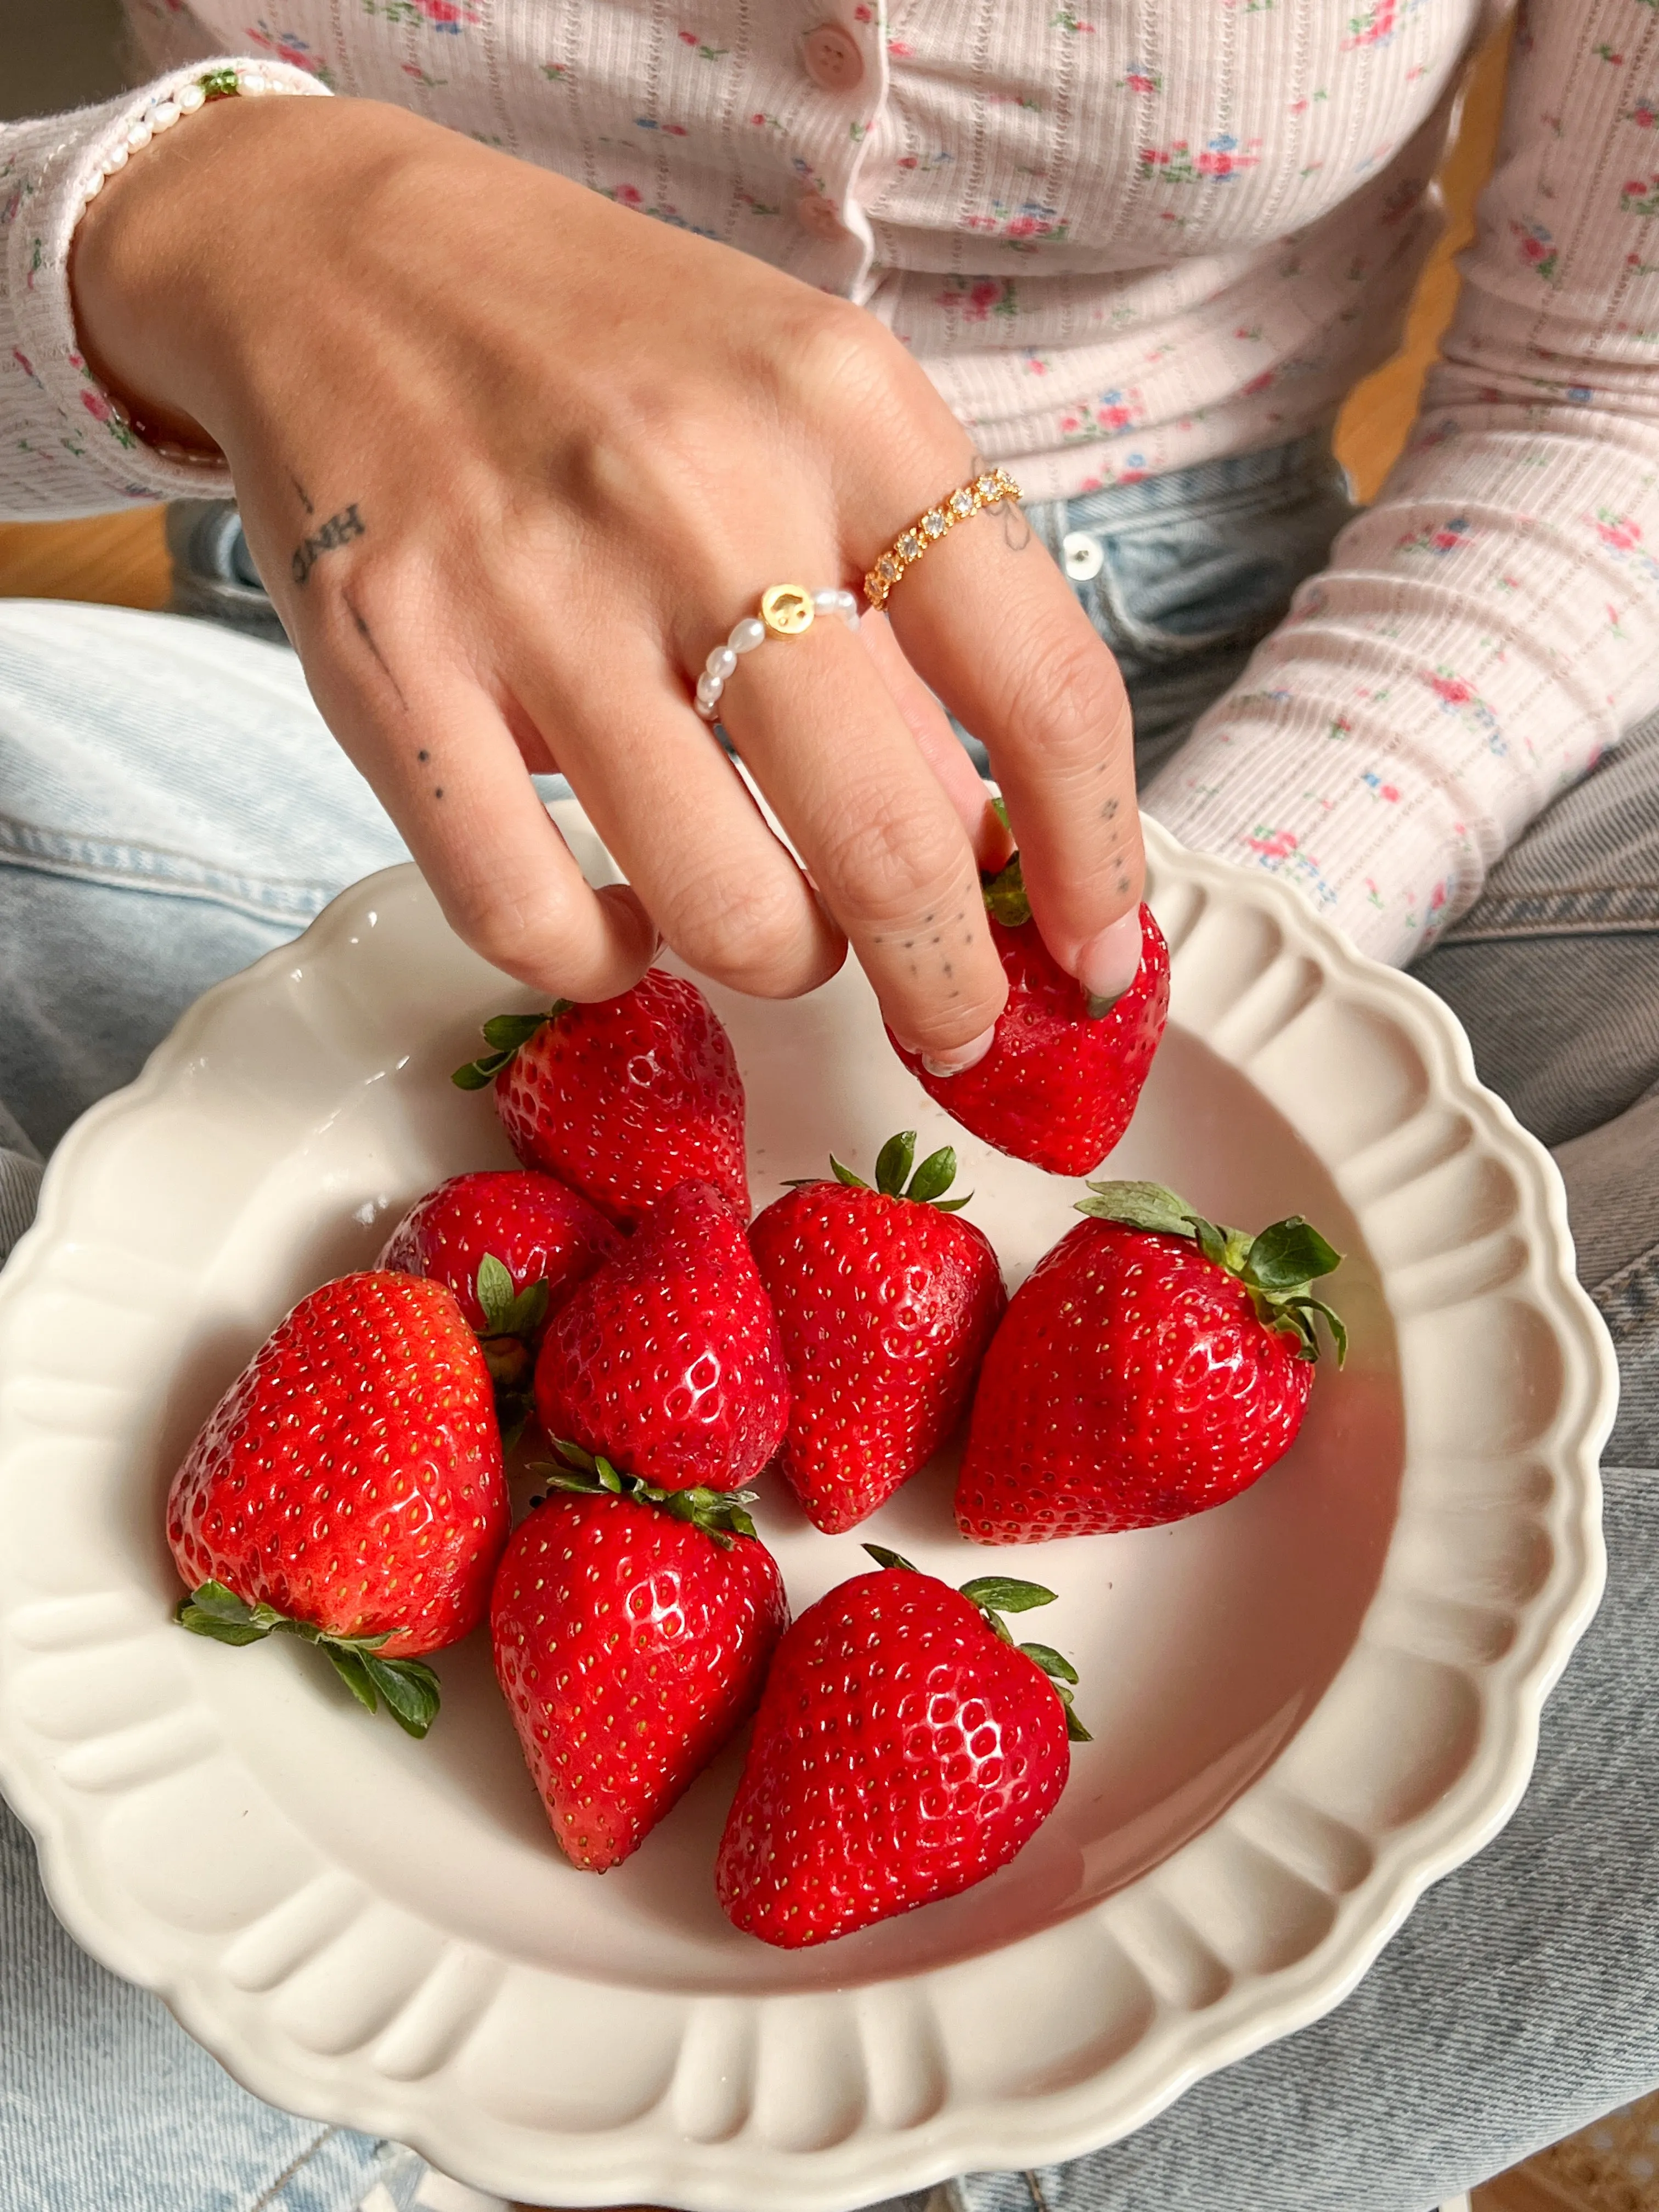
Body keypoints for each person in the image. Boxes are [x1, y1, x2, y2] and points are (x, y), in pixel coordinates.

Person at [0, 4, 1656, 2209]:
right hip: (395, 678)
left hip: (1278, 679)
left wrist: (1174, 980)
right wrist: (182, 225)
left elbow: (1607, 395)